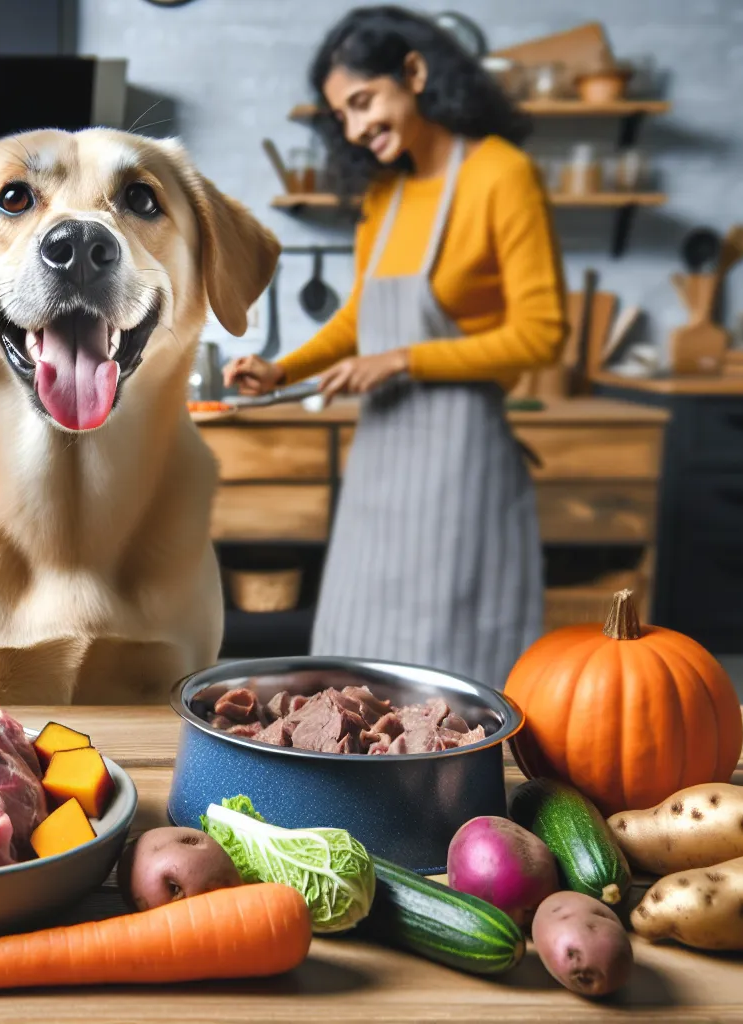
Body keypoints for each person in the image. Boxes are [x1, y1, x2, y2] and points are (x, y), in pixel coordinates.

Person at [224, 6, 566, 687]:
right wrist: (281, 367)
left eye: (362, 102)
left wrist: (404, 358)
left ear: (414, 72)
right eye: (341, 117)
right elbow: (361, 315)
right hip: (381, 460)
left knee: (450, 656)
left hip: (463, 461)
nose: (354, 129)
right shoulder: (386, 193)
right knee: (358, 638)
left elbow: (542, 332)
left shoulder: (502, 175)